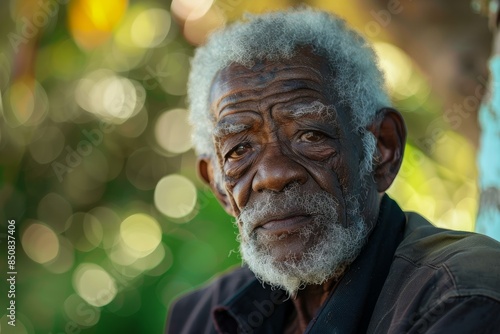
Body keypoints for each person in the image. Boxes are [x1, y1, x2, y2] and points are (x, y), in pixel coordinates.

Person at [166, 8, 500, 333]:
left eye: (310, 135)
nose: (273, 174)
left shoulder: (460, 296)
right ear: (220, 186)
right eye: (239, 150)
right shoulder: (196, 317)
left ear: (382, 149)